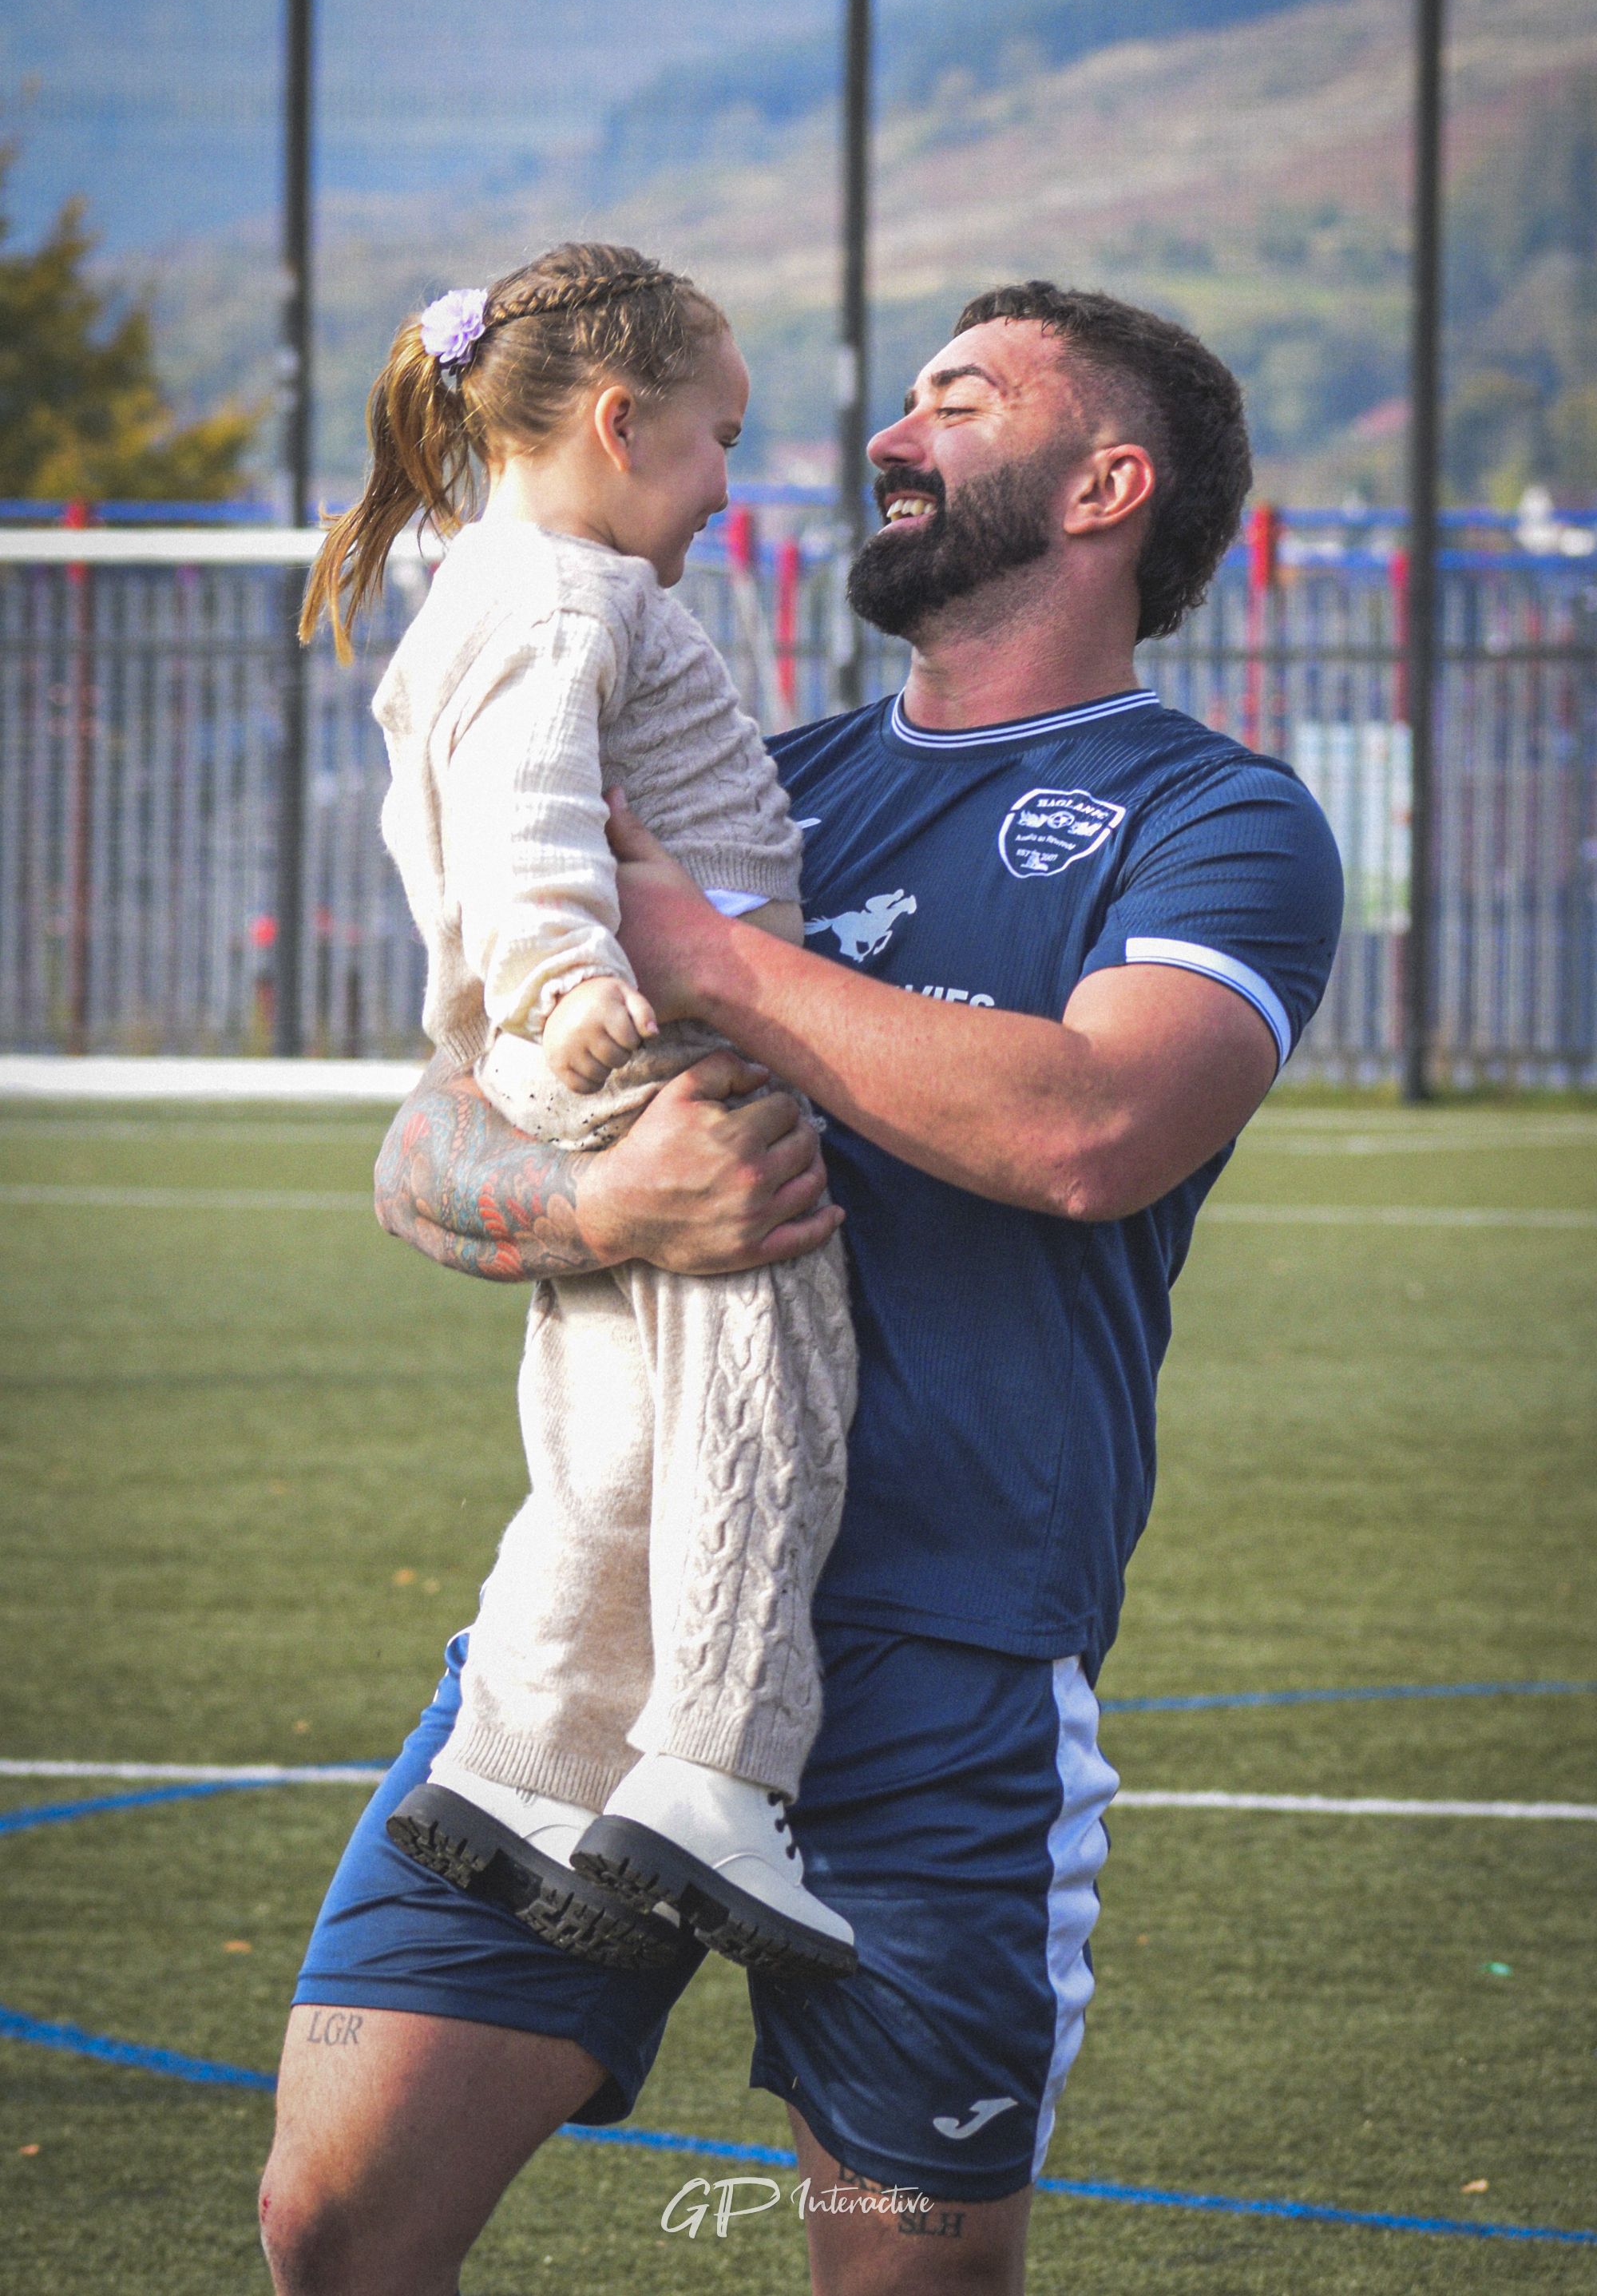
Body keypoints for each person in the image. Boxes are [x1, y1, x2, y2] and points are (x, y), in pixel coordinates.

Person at [261, 282, 1342, 2296]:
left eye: (963, 396)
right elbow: (432, 1145)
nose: (886, 432)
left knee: (906, 2282)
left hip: (937, 1670)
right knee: (333, 2226)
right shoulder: (749, 772)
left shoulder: (1217, 820)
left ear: (1109, 486)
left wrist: (721, 960)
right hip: (595, 1631)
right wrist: (609, 1211)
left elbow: (1096, 1127)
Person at [298, 242, 858, 1983]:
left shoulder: (484, 582)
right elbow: (528, 809)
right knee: (770, 1411)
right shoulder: (562, 598)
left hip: (575, 1062)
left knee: (607, 1449)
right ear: (618, 424)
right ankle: (714, 1773)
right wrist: (560, 972)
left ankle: (520, 1773)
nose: (723, 483)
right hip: (655, 1058)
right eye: (717, 441)